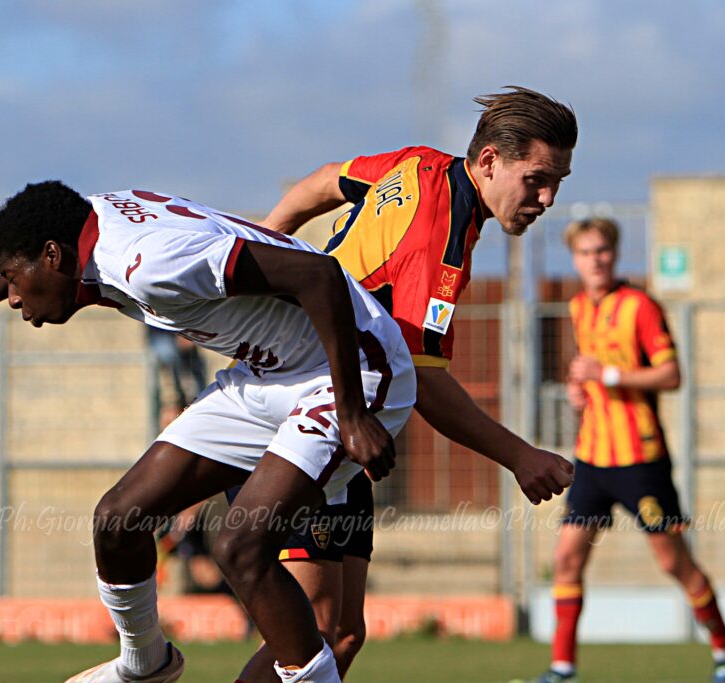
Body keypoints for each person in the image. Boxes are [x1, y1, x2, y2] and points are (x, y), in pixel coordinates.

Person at [0, 181, 423, 683]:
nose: (10, 295)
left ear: (52, 256)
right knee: (119, 518)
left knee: (240, 547)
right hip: (267, 371)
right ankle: (145, 665)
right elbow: (38, 241)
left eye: (11, 279)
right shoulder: (81, 227)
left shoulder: (151, 262)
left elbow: (318, 273)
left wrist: (354, 412)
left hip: (352, 369)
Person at [235, 86, 580, 682]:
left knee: (341, 633)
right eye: (537, 179)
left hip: (342, 421)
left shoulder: (420, 164)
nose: (547, 197)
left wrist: (270, 238)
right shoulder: (439, 235)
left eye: (558, 182)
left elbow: (324, 181)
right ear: (491, 161)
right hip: (301, 410)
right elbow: (424, 378)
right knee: (312, 627)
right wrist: (520, 456)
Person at [526, 218, 725, 683]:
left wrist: (611, 377)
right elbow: (590, 375)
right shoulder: (579, 307)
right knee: (566, 559)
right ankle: (562, 668)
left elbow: (671, 374)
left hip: (641, 461)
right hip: (593, 460)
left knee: (672, 562)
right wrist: (581, 392)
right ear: (575, 259)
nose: (595, 259)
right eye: (585, 253)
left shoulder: (639, 306)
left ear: (615, 254)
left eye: (602, 250)